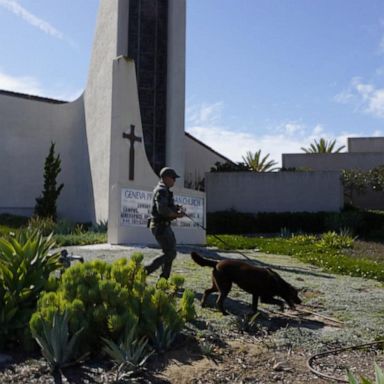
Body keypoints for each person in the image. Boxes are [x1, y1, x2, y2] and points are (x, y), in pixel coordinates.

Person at [145, 167, 185, 279]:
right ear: (166, 178)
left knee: (169, 252)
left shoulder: (164, 189)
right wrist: (177, 214)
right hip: (160, 226)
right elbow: (162, 210)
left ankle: (164, 279)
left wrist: (176, 208)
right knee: (170, 253)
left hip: (163, 225)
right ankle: (144, 271)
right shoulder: (161, 190)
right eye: (173, 178)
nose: (174, 180)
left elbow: (167, 206)